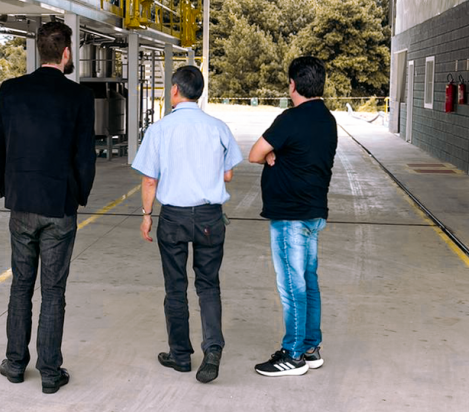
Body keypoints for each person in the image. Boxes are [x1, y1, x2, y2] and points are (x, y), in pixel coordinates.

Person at [0, 20, 96, 394]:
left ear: (40, 50)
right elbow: (85, 157)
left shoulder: (10, 91)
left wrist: (10, 188)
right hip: (59, 205)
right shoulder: (79, 98)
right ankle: (50, 372)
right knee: (53, 290)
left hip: (22, 205)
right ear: (66, 53)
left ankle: (15, 364)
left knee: (20, 285)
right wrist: (78, 195)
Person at [131, 65, 243, 384]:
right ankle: (213, 350)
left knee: (175, 287)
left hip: (174, 217)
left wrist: (146, 216)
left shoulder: (161, 129)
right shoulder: (217, 126)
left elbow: (150, 180)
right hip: (209, 216)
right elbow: (228, 174)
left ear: (176, 90)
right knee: (208, 284)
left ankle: (180, 355)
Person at [248, 56, 337, 377]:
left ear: (293, 84)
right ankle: (311, 347)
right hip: (313, 213)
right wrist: (277, 152)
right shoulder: (327, 119)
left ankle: (294, 354)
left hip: (290, 217)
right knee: (309, 282)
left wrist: (272, 152)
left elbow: (254, 153)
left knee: (291, 286)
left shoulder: (290, 119)